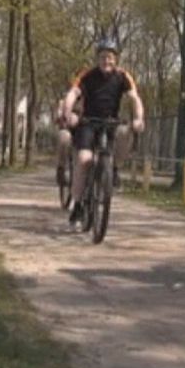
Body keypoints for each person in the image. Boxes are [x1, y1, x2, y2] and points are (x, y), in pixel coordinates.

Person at [58, 37, 145, 228]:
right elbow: (72, 94)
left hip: (111, 123)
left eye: (111, 57)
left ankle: (113, 170)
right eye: (103, 57)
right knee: (83, 160)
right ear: (98, 58)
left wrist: (138, 118)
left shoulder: (123, 76)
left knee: (125, 133)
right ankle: (78, 204)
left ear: (116, 59)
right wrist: (67, 113)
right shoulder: (87, 75)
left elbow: (134, 98)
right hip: (88, 123)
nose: (107, 61)